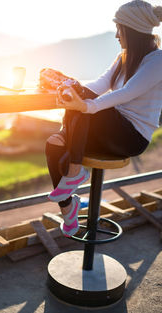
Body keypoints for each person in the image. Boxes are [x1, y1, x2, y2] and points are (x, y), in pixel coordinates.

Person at [45, 0, 162, 237]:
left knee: (85, 109)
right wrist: (72, 90)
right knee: (53, 144)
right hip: (111, 131)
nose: (117, 35)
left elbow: (126, 93)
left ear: (132, 30)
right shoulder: (123, 58)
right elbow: (99, 85)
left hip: (132, 137)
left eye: (120, 28)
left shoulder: (157, 61)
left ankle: (75, 171)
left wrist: (86, 105)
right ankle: (68, 208)